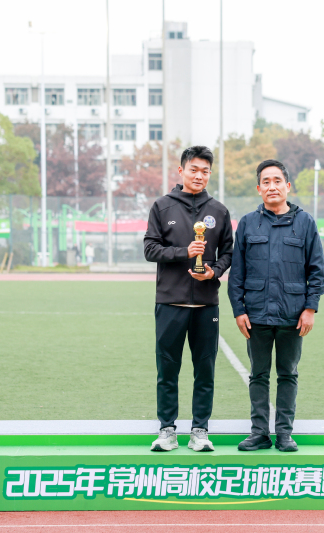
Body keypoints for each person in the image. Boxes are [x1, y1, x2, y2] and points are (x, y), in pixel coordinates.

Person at [228, 159, 324, 452]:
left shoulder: (305, 222)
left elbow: (317, 270)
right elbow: (237, 272)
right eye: (266, 182)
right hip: (256, 314)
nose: (272, 186)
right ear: (259, 189)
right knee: (258, 375)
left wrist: (310, 308)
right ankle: (259, 433)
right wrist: (238, 310)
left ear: (287, 186)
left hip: (292, 315)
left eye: (277, 181)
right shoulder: (248, 223)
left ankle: (284, 433)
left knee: (288, 374)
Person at [143, 146, 234, 452]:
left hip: (207, 305)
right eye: (193, 170)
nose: (199, 176)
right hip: (170, 303)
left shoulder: (218, 211)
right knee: (167, 371)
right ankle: (167, 430)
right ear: (181, 171)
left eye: (205, 171)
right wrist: (185, 252)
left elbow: (228, 252)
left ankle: (200, 431)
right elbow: (150, 249)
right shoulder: (162, 206)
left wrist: (214, 272)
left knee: (205, 371)